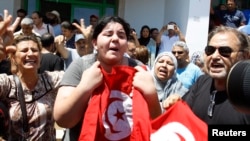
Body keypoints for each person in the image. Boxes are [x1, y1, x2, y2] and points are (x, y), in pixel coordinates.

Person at [53, 16, 161, 140]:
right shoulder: (81, 66)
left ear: (126, 44)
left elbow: (155, 124)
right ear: (95, 43)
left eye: (121, 36)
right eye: (108, 34)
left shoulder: (139, 70)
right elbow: (63, 120)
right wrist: (84, 88)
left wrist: (151, 95)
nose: (115, 38)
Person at [181, 26, 250, 124]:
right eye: (210, 50)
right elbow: (182, 114)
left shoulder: (246, 96)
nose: (214, 56)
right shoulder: (201, 82)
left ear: (244, 56)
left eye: (225, 51)